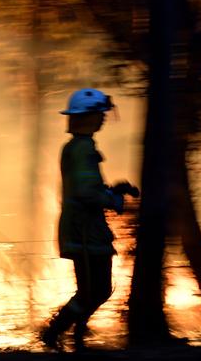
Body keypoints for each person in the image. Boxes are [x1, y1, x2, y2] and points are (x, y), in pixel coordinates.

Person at [40, 88, 137, 350]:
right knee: (93, 290)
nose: (103, 119)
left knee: (98, 289)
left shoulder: (81, 147)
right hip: (84, 232)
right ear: (86, 117)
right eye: (99, 114)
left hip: (88, 230)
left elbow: (87, 186)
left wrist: (114, 190)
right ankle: (55, 333)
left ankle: (77, 335)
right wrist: (111, 200)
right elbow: (84, 192)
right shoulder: (81, 148)